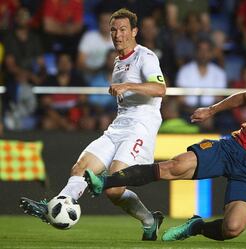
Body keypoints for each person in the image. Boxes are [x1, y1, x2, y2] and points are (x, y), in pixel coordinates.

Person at [84, 55, 246, 241]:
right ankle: (103, 182)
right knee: (174, 166)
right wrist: (211, 110)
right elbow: (243, 97)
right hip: (231, 148)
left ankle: (195, 227)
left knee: (232, 228)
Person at [20, 8, 167, 241]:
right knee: (80, 168)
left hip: (141, 126)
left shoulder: (145, 57)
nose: (117, 35)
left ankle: (150, 219)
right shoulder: (119, 63)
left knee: (114, 189)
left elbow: (160, 89)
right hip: (119, 127)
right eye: (113, 30)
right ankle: (55, 207)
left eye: (123, 30)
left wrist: (128, 86)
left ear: (134, 31)